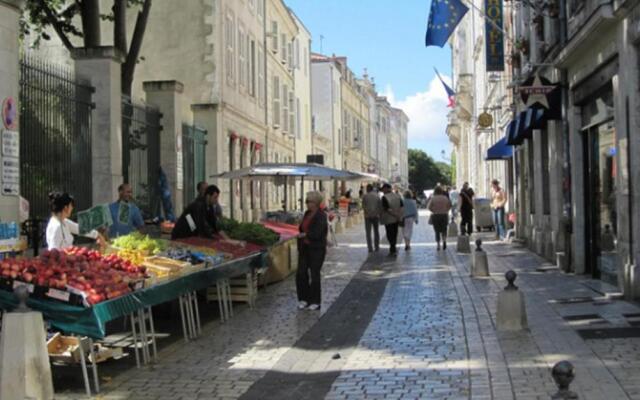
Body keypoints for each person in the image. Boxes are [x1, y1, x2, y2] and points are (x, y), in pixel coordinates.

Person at [296, 191, 328, 311]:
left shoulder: (321, 215)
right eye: (306, 201)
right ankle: (303, 299)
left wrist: (305, 234)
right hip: (304, 248)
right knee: (301, 273)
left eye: (309, 201)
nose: (307, 204)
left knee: (314, 274)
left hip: (316, 249)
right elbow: (302, 228)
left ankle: (315, 301)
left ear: (316, 203)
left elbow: (317, 233)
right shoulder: (307, 213)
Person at [380, 183, 403, 256]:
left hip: (388, 219)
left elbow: (387, 209)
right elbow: (402, 206)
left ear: (387, 189)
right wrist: (399, 215)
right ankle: (393, 248)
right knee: (395, 233)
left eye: (383, 189)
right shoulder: (398, 196)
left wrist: (394, 215)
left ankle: (392, 249)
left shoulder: (384, 197)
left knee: (390, 234)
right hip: (396, 219)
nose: (382, 190)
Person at [428, 186, 452, 250]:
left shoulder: (433, 198)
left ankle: (438, 245)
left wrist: (434, 210)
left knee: (437, 231)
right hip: (444, 215)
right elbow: (450, 205)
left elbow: (429, 207)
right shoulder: (445, 198)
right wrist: (446, 210)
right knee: (444, 229)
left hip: (435, 216)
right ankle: (444, 241)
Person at [362, 184, 382, 252]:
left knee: (368, 233)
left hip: (367, 216)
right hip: (376, 216)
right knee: (376, 232)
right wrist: (376, 213)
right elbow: (380, 206)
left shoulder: (365, 196)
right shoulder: (377, 196)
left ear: (367, 189)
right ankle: (377, 246)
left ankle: (370, 248)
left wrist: (368, 213)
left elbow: (363, 206)